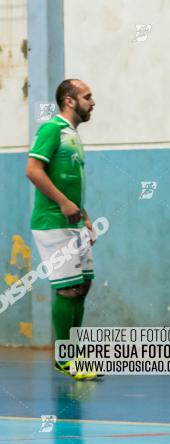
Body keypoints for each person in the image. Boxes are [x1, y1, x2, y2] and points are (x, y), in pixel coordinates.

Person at [25, 79, 98, 380]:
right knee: (67, 288)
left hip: (72, 222)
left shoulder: (74, 136)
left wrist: (84, 215)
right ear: (69, 100)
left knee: (83, 285)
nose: (93, 102)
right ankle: (65, 357)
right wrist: (65, 204)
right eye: (87, 96)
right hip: (52, 223)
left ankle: (72, 352)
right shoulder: (52, 129)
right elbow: (33, 170)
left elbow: (70, 181)